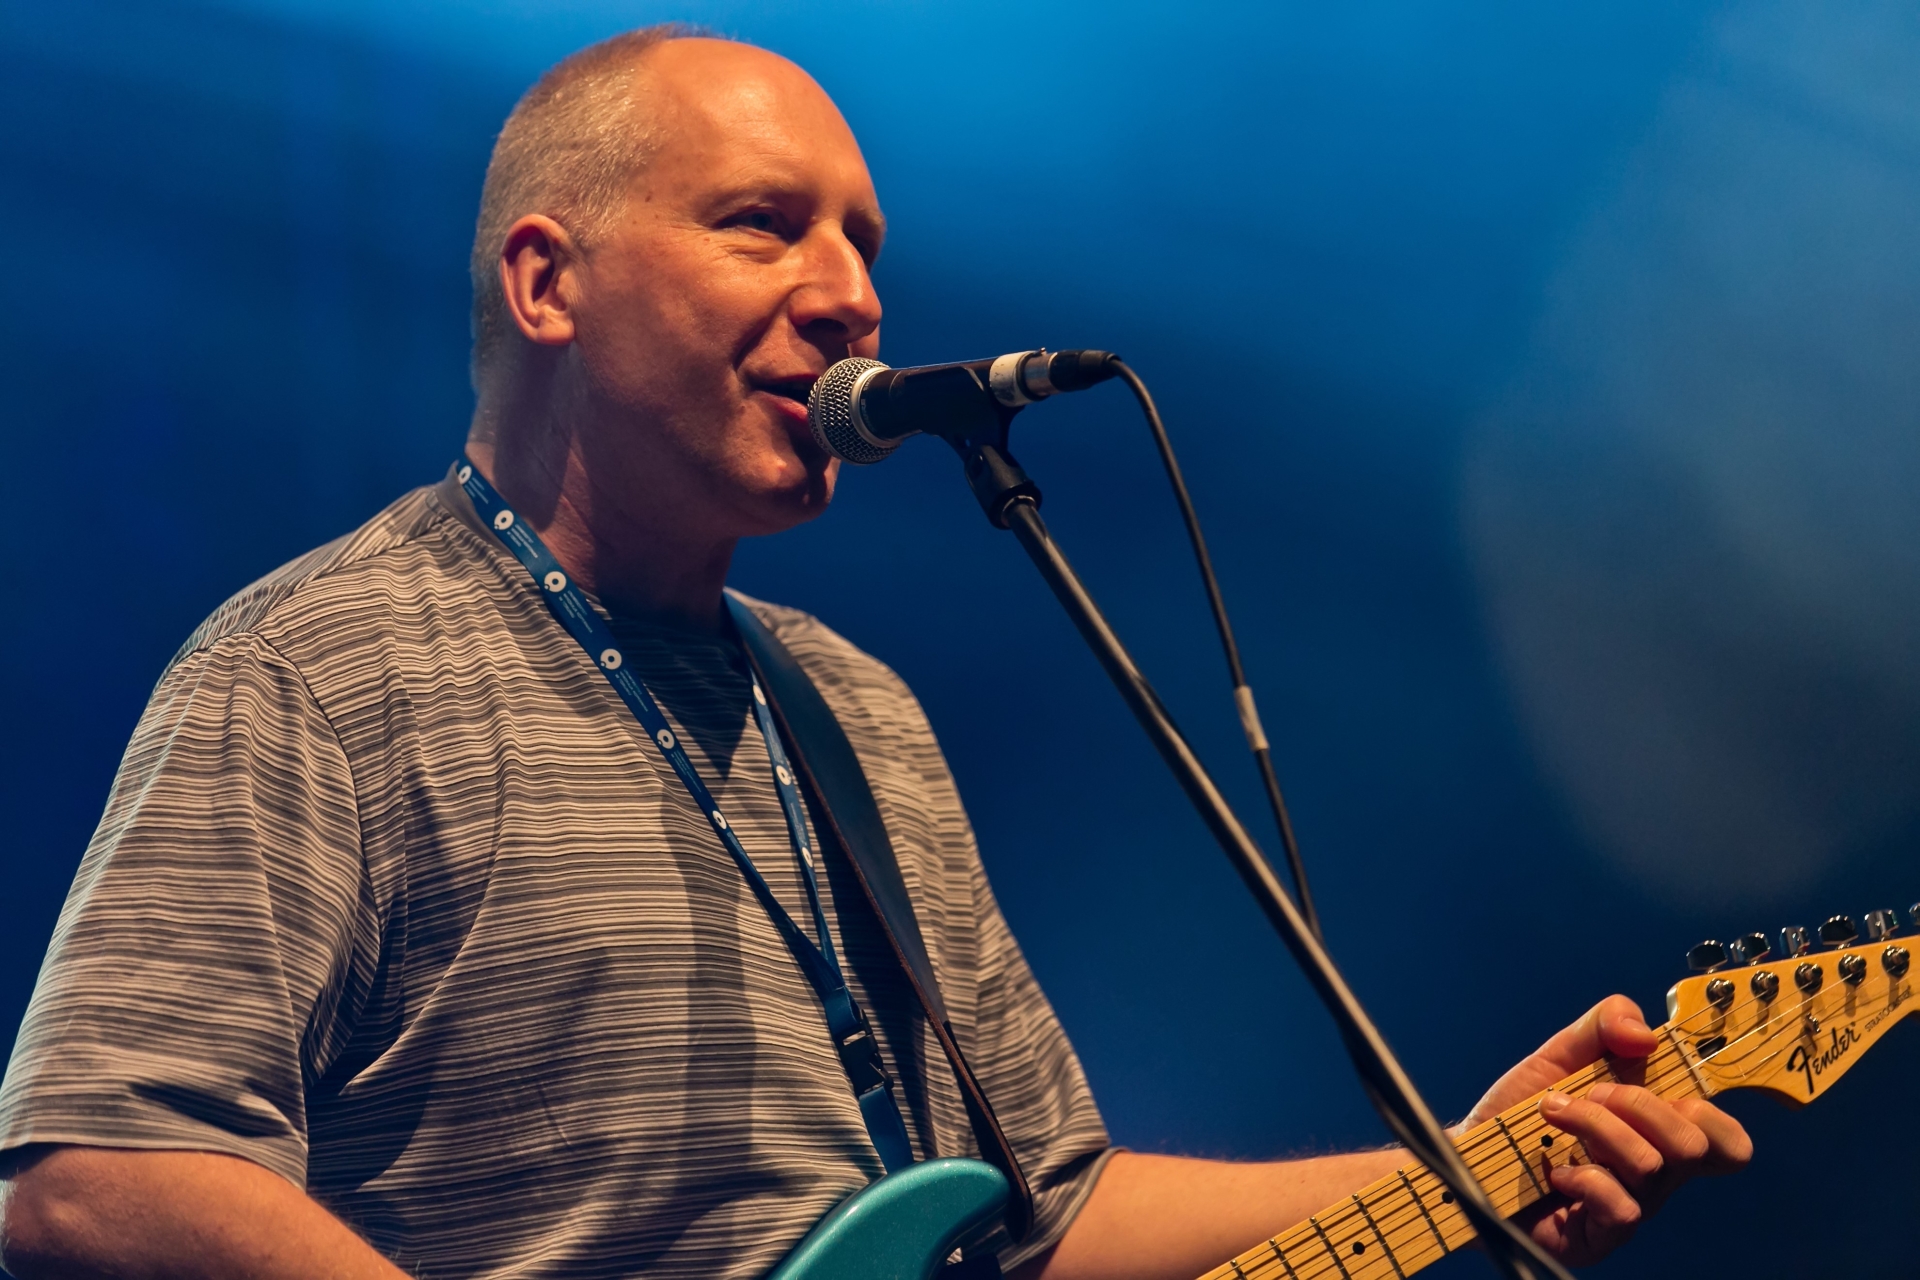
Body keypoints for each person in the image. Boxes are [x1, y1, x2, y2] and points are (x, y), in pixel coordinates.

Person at [0, 27, 1750, 1280]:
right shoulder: (325, 664)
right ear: (548, 283)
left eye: (865, 244)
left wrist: (1462, 1170)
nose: (853, 294)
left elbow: (1053, 1213)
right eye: (766, 223)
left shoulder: (853, 712)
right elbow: (92, 1170)